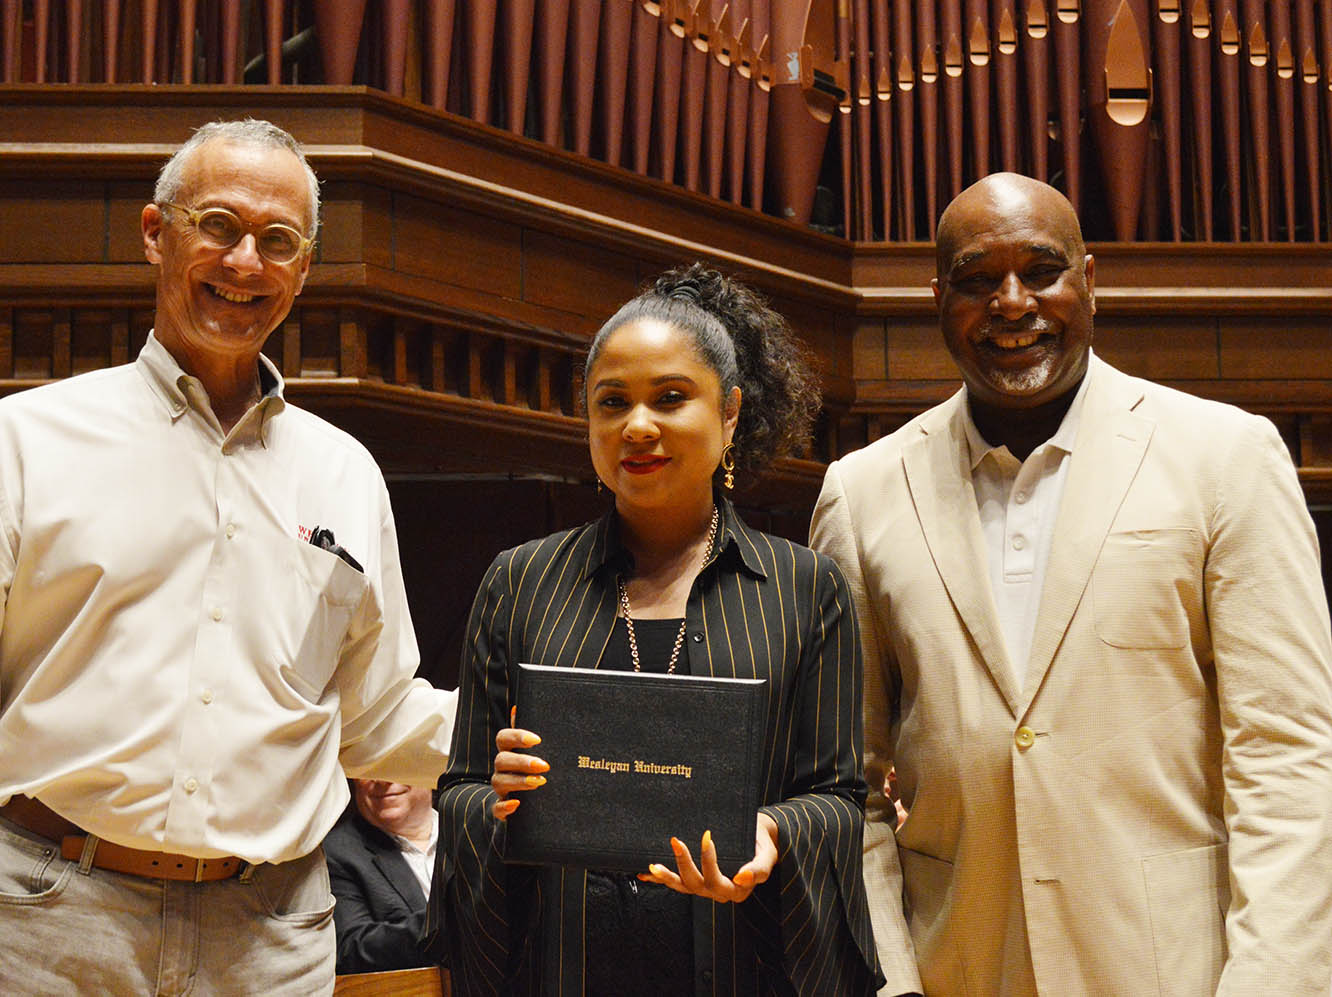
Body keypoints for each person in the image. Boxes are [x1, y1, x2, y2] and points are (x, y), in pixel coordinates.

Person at [0, 119, 454, 997]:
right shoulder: (19, 444)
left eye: (279, 241)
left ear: (303, 268)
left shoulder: (346, 474)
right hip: (47, 922)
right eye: (218, 225)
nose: (246, 261)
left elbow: (377, 717)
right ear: (154, 232)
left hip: (271, 936)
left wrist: (541, 724)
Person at [810, 172, 1332, 995]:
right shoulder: (863, 490)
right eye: (978, 281)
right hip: (960, 968)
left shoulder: (1226, 456)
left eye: (1042, 271)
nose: (1012, 304)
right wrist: (891, 981)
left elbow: (1287, 755)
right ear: (938, 298)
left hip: (1178, 971)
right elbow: (847, 784)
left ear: (1089, 281)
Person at [432, 264, 881, 996]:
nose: (637, 426)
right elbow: (460, 791)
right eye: (612, 403)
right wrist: (499, 800)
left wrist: (769, 834)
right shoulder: (519, 581)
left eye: (671, 398)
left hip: (740, 966)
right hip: (564, 971)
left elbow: (836, 794)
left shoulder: (806, 587)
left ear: (729, 412)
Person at [322, 779, 439, 975]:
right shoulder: (336, 853)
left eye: (397, 761)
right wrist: (444, 924)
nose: (383, 780)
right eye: (370, 768)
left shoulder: (476, 826)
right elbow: (350, 949)